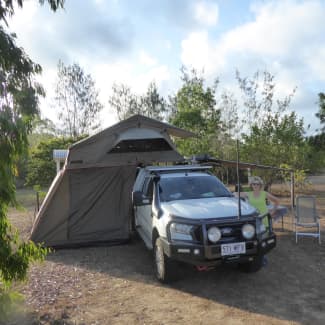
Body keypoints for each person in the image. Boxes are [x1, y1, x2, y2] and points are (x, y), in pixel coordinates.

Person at [236, 176, 280, 267]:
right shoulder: (249, 194)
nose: (255, 185)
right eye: (253, 184)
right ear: (251, 185)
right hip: (255, 221)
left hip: (264, 219)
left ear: (260, 185)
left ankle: (263, 257)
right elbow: (235, 194)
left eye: (257, 184)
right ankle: (258, 257)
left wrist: (272, 212)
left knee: (264, 240)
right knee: (256, 239)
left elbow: (277, 201)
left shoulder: (264, 193)